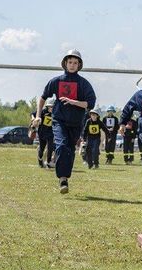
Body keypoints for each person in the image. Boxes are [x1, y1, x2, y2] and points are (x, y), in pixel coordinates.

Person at [32, 49, 96, 193]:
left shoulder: (84, 84)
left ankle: (65, 176)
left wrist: (74, 102)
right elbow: (43, 97)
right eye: (70, 62)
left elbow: (90, 103)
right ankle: (62, 179)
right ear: (65, 63)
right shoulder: (56, 81)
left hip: (76, 123)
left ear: (79, 65)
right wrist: (38, 116)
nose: (72, 65)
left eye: (75, 62)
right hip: (59, 121)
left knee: (70, 150)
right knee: (61, 146)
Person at [31, 97, 55, 168]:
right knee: (42, 149)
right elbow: (32, 114)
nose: (52, 108)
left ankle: (48, 162)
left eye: (53, 107)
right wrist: (33, 119)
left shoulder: (56, 113)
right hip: (42, 133)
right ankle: (40, 160)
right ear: (47, 106)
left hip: (51, 133)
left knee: (50, 147)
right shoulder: (43, 111)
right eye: (50, 107)